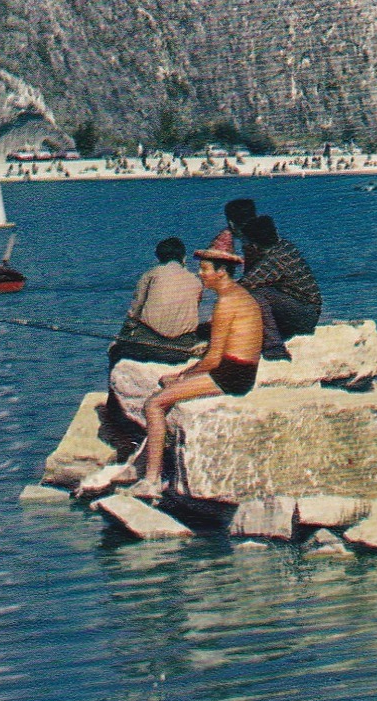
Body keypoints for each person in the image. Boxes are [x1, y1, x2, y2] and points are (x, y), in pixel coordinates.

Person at [127, 231, 264, 502]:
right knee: (165, 398)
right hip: (242, 371)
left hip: (231, 375)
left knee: (154, 404)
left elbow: (213, 360)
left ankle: (151, 480)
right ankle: (155, 470)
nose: (200, 274)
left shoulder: (225, 303)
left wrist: (180, 376)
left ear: (222, 272)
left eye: (205, 269)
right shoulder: (240, 295)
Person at [109, 237, 206, 366]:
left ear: (158, 258)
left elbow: (134, 312)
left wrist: (122, 337)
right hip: (183, 347)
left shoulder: (151, 274)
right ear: (184, 258)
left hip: (150, 345)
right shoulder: (196, 281)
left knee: (115, 351)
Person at [238, 214, 321, 360]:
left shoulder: (274, 260)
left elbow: (241, 288)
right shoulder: (285, 246)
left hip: (305, 315)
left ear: (254, 245)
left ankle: (274, 348)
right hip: (304, 311)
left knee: (256, 295)